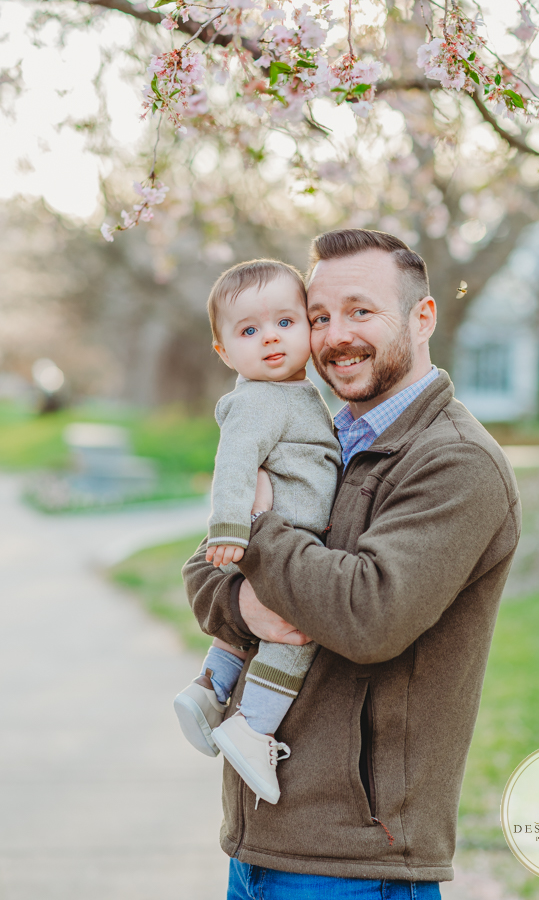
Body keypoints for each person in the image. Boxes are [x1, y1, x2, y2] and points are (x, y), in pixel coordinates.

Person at [183, 229, 521, 898]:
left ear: (422, 317)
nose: (337, 334)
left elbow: (366, 616)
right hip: (260, 842)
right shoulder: (320, 435)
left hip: (357, 862)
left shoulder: (454, 462)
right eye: (320, 317)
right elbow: (202, 574)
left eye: (362, 311)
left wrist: (257, 527)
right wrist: (247, 604)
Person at [174, 259, 340, 805]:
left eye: (285, 323)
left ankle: (210, 690)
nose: (270, 338)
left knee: (257, 626)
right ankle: (253, 728)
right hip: (286, 538)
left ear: (310, 330)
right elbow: (236, 466)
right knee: (296, 632)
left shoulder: (294, 394)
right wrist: (229, 528)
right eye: (249, 331)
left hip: (286, 534)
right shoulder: (258, 401)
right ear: (224, 351)